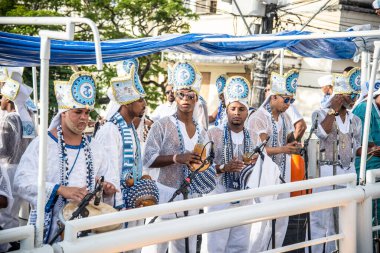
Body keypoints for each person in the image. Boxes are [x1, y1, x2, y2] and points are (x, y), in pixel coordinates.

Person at [14, 71, 122, 243]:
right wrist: (60, 189)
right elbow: (21, 182)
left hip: (86, 229)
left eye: (87, 113)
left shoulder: (95, 147)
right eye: (78, 112)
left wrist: (107, 188)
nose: (84, 118)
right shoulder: (43, 144)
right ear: (63, 112)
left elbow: (109, 180)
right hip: (48, 231)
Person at [142, 61, 216, 253]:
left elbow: (205, 162)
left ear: (196, 99)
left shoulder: (201, 132)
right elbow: (148, 158)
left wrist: (202, 164)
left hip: (191, 198)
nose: (185, 99)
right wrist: (177, 158)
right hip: (165, 194)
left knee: (186, 249)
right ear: (174, 96)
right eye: (181, 94)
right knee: (155, 248)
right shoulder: (162, 125)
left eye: (190, 95)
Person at [95, 59, 151, 245]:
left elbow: (135, 162)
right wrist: (120, 201)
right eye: (140, 99)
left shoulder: (130, 129)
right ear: (126, 102)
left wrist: (143, 177)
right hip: (118, 205)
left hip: (133, 202)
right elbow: (108, 172)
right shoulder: (111, 130)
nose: (144, 104)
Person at [201, 76, 257, 253]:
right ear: (226, 111)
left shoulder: (254, 137)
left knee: (240, 247)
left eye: (241, 109)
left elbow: (260, 168)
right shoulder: (213, 134)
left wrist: (256, 165)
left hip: (245, 200)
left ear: (247, 112)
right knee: (214, 246)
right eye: (233, 108)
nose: (237, 113)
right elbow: (200, 167)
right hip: (218, 198)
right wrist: (223, 168)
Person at [247, 69, 301, 249]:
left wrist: (293, 145)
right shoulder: (258, 117)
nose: (289, 104)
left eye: (291, 100)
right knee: (261, 226)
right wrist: (284, 149)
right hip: (264, 177)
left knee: (280, 223)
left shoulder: (285, 118)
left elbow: (284, 141)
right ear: (273, 97)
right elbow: (260, 149)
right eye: (286, 99)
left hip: (282, 175)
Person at [310, 67, 362, 253]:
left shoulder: (355, 119)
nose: (354, 99)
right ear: (340, 95)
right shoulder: (320, 113)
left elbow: (355, 147)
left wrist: (368, 150)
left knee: (344, 224)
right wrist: (332, 110)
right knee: (321, 222)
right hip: (326, 175)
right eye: (350, 96)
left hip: (348, 175)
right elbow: (322, 133)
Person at [0, 67, 36, 251]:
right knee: (14, 213)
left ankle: (6, 246)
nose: (0, 99)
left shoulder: (9, 119)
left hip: (8, 170)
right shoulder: (27, 117)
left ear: (9, 97)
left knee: (6, 215)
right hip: (24, 170)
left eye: (2, 96)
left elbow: (5, 151)